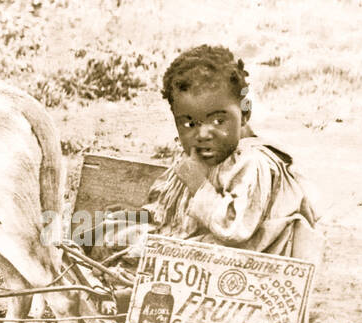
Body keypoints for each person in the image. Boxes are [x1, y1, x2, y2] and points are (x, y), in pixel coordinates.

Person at [109, 45, 322, 262]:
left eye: (218, 121)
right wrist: (142, 213)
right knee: (109, 230)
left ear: (245, 112)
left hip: (236, 267)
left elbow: (235, 228)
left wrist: (199, 185)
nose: (202, 134)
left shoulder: (252, 163)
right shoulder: (201, 154)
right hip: (195, 251)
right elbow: (175, 208)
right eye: (188, 123)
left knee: (126, 248)